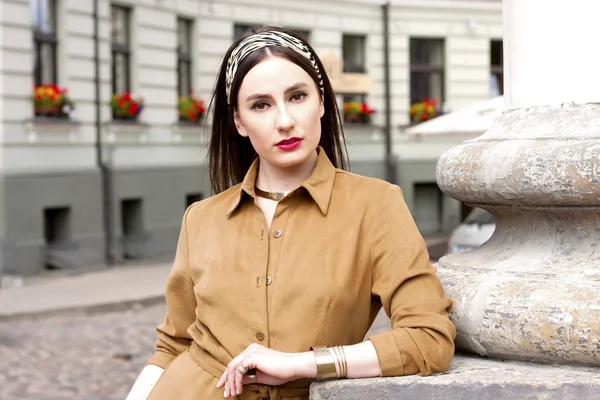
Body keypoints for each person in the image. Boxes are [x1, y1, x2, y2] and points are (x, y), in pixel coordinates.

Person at [126, 25, 456, 400]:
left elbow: (428, 340)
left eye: (297, 96)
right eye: (261, 105)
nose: (284, 121)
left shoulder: (375, 206)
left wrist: (302, 364)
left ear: (322, 102)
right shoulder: (201, 219)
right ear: (239, 121)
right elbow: (173, 344)